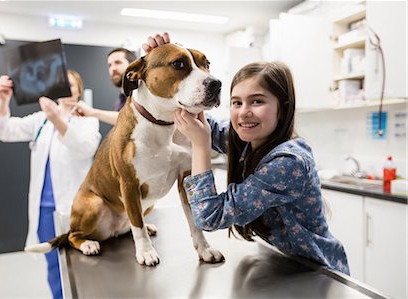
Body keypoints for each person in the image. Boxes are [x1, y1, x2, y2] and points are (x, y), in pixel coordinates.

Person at [142, 33, 349, 275]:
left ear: (283, 108)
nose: (243, 113)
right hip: (282, 264)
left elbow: (209, 217)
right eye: (236, 103)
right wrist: (160, 62)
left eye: (257, 102)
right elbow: (200, 119)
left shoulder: (288, 163)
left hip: (318, 273)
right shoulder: (247, 138)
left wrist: (200, 145)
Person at [0, 70, 101, 298]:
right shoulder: (41, 120)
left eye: (71, 85)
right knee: (53, 266)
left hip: (75, 209)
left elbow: (86, 147)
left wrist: (57, 120)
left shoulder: (87, 120)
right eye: (61, 84)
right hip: (45, 210)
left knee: (81, 265)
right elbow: (3, 130)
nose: (66, 89)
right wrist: (3, 100)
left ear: (78, 90)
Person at [74, 47, 137, 124]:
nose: (113, 68)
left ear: (132, 65)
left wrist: (92, 112)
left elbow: (133, 120)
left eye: (118, 62)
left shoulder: (142, 94)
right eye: (110, 65)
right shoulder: (119, 102)